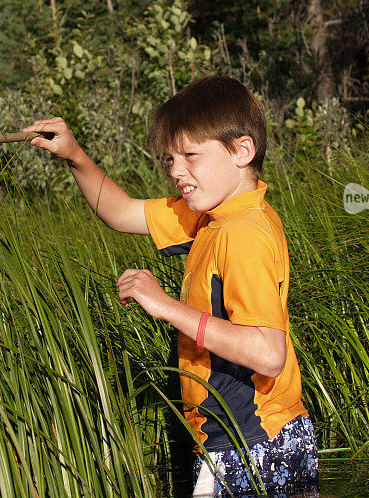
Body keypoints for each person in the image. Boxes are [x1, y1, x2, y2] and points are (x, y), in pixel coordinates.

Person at [23, 76, 318, 497]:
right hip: (250, 439)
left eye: (191, 156)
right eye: (170, 160)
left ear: (243, 150)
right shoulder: (211, 216)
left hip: (252, 444)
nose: (177, 172)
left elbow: (268, 353)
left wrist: (164, 306)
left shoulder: (243, 232)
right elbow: (122, 212)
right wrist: (73, 155)